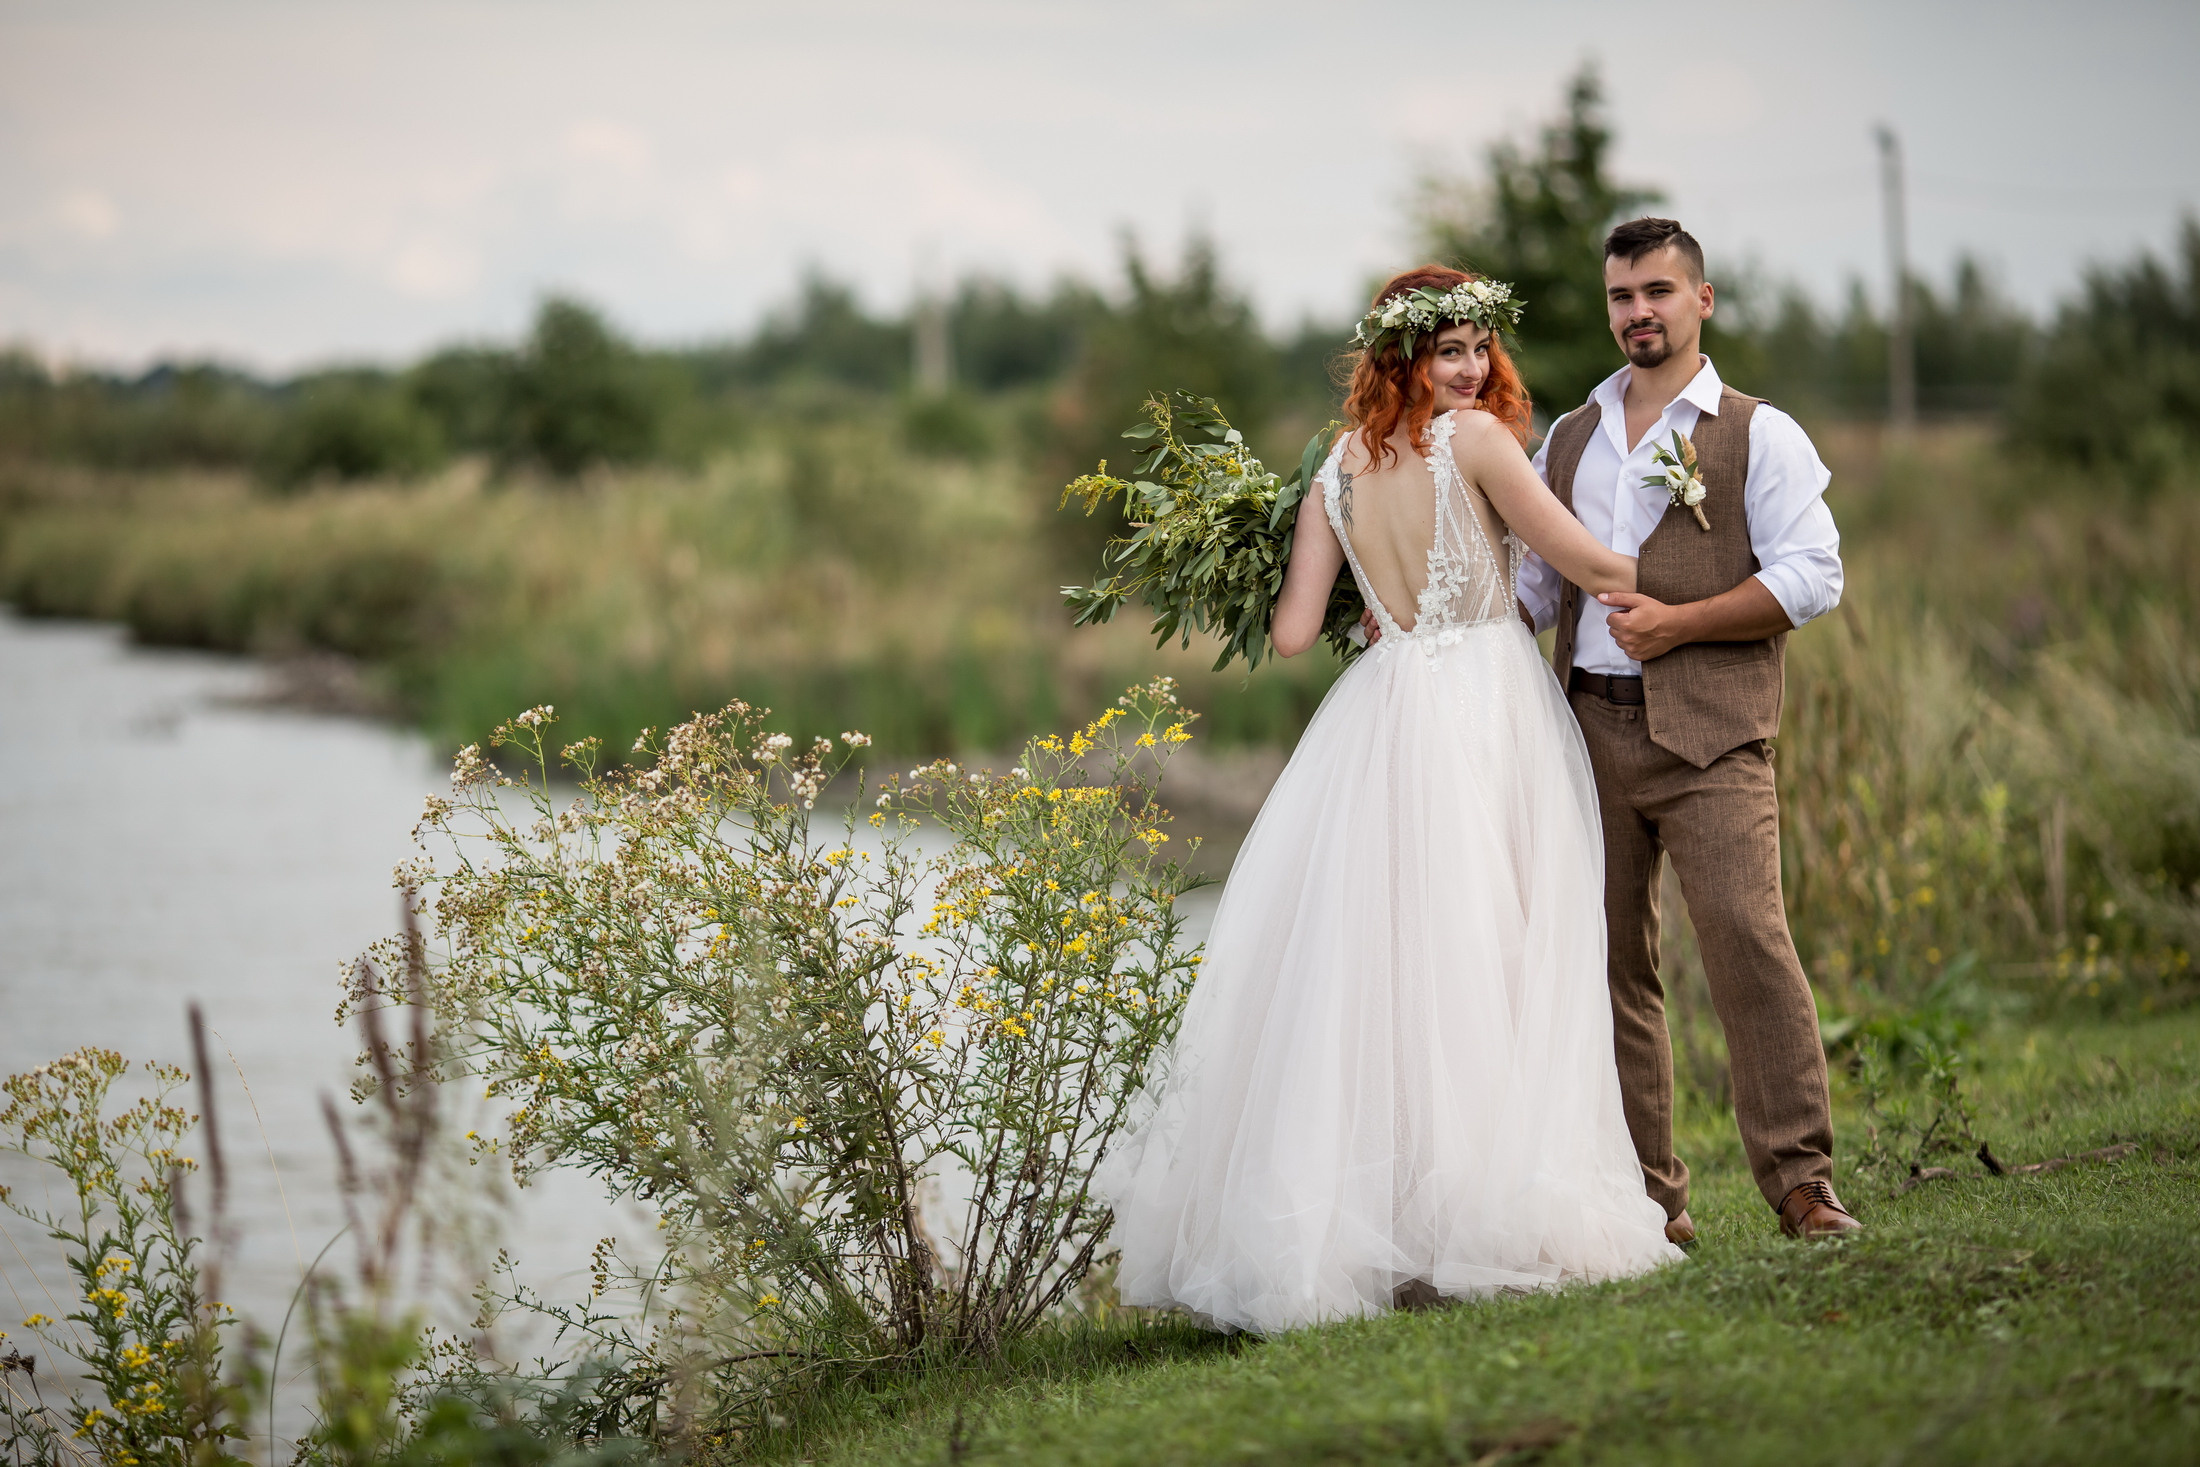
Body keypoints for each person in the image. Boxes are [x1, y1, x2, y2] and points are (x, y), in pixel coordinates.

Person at [1094, 266, 1683, 1336]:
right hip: (1485, 705)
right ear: (1403, 358)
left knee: (1396, 967)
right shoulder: (1480, 442)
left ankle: (1401, 1223)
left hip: (1386, 710)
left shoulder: (1335, 470)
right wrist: (1685, 565)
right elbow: (1580, 559)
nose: (1471, 369)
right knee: (1490, 949)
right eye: (1448, 351)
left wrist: (1375, 603)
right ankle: (1479, 1215)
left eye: (1478, 349)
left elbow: (1288, 634)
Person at [1516, 217, 1860, 1243]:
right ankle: (1649, 1205)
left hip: (1714, 739)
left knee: (1749, 943)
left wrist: (1682, 623)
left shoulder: (1759, 433)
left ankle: (1801, 1185)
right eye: (1622, 297)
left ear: (1701, 299)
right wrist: (1414, 616)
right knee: (1608, 965)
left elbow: (1814, 575)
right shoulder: (1566, 439)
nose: (1639, 313)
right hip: (1585, 733)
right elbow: (1533, 586)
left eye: (1658, 292)